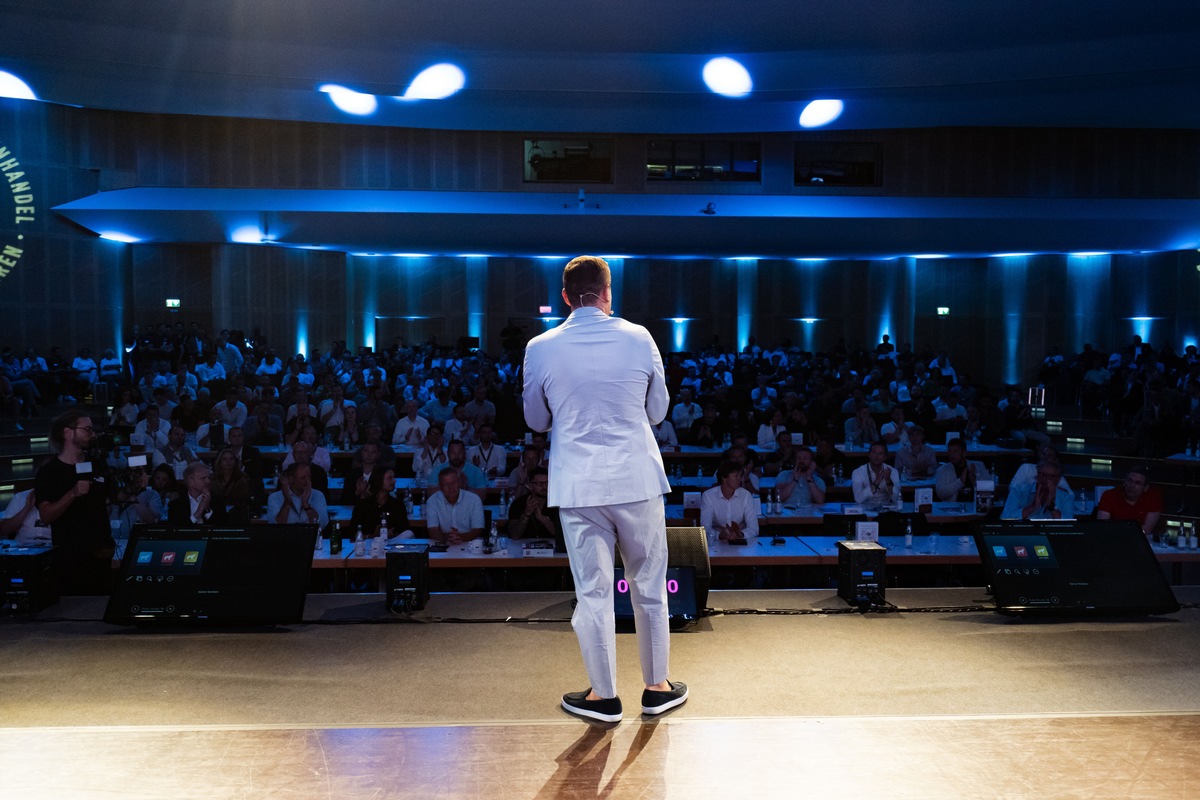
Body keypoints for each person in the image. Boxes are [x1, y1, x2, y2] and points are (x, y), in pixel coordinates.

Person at [522, 254, 686, 723]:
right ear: (608, 293)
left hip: (579, 485)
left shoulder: (540, 346)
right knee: (649, 587)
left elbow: (536, 420)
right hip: (637, 480)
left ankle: (603, 696)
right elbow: (657, 412)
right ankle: (656, 688)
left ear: (565, 297)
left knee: (593, 593)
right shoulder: (640, 337)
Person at [35, 411, 114, 593]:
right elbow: (46, 516)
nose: (92, 434)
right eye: (87, 429)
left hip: (100, 552)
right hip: (70, 555)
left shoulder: (97, 465)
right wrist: (72, 494)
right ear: (68, 432)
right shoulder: (50, 471)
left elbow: (110, 501)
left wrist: (133, 488)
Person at [700, 460, 760, 541]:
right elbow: (705, 528)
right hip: (716, 542)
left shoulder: (746, 495)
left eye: (740, 475)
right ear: (724, 477)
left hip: (740, 543)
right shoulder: (708, 496)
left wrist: (741, 534)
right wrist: (720, 535)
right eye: (736, 476)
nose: (740, 479)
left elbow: (754, 528)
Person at [506, 466, 563, 551]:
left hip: (552, 551)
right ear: (529, 486)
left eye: (547, 483)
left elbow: (561, 535)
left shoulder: (556, 504)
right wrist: (526, 514)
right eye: (540, 484)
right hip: (522, 552)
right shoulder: (518, 503)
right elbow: (514, 535)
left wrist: (543, 519)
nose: (544, 487)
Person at [425, 465, 484, 543]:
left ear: (459, 483)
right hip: (444, 545)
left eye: (454, 483)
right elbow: (433, 531)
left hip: (470, 546)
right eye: (446, 484)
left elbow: (477, 530)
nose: (451, 488)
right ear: (440, 487)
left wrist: (460, 537)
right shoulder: (432, 501)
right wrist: (447, 537)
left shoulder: (474, 500)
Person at [1096, 467, 1162, 536]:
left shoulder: (1153, 497)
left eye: (1137, 483)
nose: (1132, 486)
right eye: (1129, 481)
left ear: (1145, 488)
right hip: (1112, 537)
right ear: (1124, 482)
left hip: (1139, 539)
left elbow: (1146, 530)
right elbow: (1103, 526)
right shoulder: (1109, 495)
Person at [1001, 461, 1075, 520]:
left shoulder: (1066, 497)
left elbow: (1068, 524)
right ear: (1037, 475)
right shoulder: (1018, 490)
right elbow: (1005, 518)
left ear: (1057, 480)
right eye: (1041, 474)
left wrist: (1051, 507)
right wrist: (1032, 506)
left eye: (1050, 476)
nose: (1044, 478)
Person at [350, 468, 412, 538]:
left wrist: (392, 534)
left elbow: (404, 530)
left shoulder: (397, 504)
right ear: (379, 480)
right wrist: (373, 535)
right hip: (367, 545)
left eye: (393, 477)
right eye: (390, 478)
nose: (394, 481)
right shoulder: (363, 505)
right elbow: (353, 533)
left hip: (392, 544)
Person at [851, 442, 901, 507]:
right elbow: (858, 499)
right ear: (869, 454)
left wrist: (888, 481)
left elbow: (896, 499)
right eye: (874, 452)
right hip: (865, 509)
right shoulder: (858, 472)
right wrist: (877, 481)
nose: (876, 456)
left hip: (886, 509)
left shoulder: (893, 471)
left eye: (880, 453)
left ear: (885, 457)